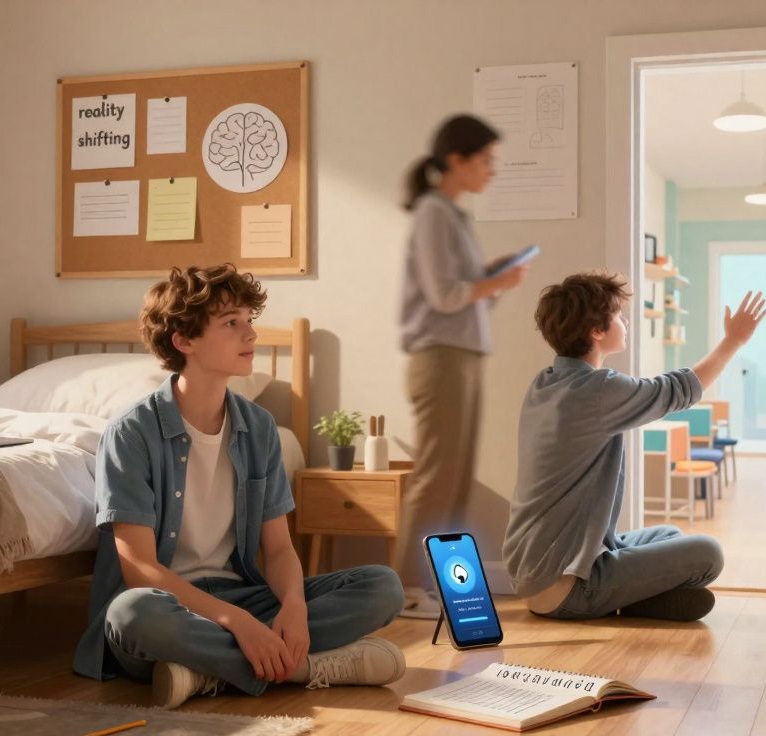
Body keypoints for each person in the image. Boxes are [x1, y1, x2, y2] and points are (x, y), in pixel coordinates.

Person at [73, 264, 406, 708]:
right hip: (168, 607)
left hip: (245, 596)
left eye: (249, 320)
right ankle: (304, 668)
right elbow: (141, 572)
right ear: (184, 340)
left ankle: (202, 673)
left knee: (383, 585)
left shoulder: (260, 428)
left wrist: (293, 608)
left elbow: (281, 550)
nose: (250, 334)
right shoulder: (130, 434)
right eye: (231, 323)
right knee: (131, 614)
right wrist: (238, 624)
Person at [503, 271, 765, 621]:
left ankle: (629, 598)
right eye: (618, 316)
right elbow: (677, 390)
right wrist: (734, 341)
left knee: (668, 534)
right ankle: (621, 601)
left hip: (534, 575)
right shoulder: (596, 390)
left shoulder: (545, 383)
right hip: (566, 586)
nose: (625, 322)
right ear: (597, 331)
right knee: (708, 553)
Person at [395, 114, 529, 618]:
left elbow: (464, 300)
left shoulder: (455, 217)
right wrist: (492, 283)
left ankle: (443, 589)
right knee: (437, 477)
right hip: (440, 359)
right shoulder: (433, 213)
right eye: (486, 160)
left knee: (456, 478)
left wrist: (491, 281)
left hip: (465, 356)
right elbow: (445, 295)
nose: (492, 170)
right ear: (457, 160)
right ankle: (408, 588)